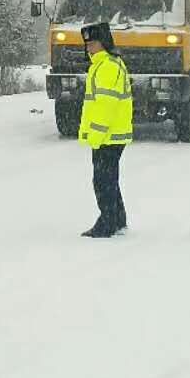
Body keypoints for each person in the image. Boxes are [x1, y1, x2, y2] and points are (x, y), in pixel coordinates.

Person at [78, 20, 132, 237]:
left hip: (108, 135)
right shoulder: (104, 64)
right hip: (110, 134)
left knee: (102, 180)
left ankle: (107, 223)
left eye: (92, 43)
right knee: (109, 178)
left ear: (104, 43)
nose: (88, 47)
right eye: (87, 44)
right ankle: (117, 219)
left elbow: (105, 104)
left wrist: (96, 135)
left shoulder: (107, 66)